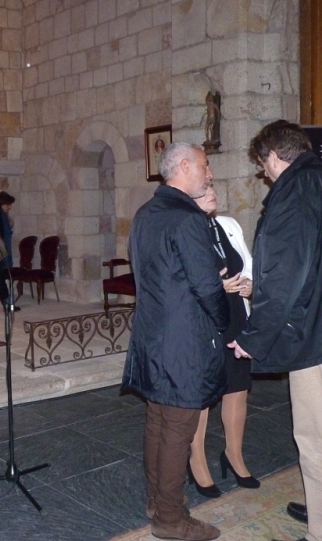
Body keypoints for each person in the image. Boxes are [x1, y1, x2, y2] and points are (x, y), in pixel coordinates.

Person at [121, 142, 229, 541]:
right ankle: (170, 518)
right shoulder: (187, 219)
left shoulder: (147, 213)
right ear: (184, 166)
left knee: (159, 421)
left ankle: (157, 502)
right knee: (178, 429)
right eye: (205, 164)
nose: (210, 172)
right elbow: (206, 286)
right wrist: (225, 325)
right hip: (184, 342)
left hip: (152, 336)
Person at [229, 120, 322, 541]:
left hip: (315, 341)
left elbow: (286, 277)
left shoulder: (295, 194)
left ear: (273, 155)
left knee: (314, 440)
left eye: (262, 164)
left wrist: (254, 337)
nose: (263, 173)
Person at [188, 186, 258, 498]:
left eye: (213, 187)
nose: (213, 192)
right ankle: (196, 460)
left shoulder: (229, 225)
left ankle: (234, 455)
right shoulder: (185, 229)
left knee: (237, 389)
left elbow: (248, 262)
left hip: (237, 317)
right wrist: (217, 286)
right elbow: (183, 278)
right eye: (204, 189)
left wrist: (249, 285)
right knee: (203, 394)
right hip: (205, 320)